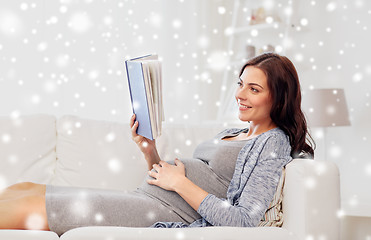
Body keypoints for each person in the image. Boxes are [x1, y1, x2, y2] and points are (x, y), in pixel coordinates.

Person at [0, 52, 314, 235]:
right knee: (23, 188)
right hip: (146, 196)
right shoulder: (233, 132)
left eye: (254, 89)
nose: (240, 95)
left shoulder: (273, 144)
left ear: (279, 96)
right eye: (240, 84)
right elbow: (171, 179)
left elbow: (243, 220)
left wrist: (179, 183)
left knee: (28, 208)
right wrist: (149, 150)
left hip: (164, 212)